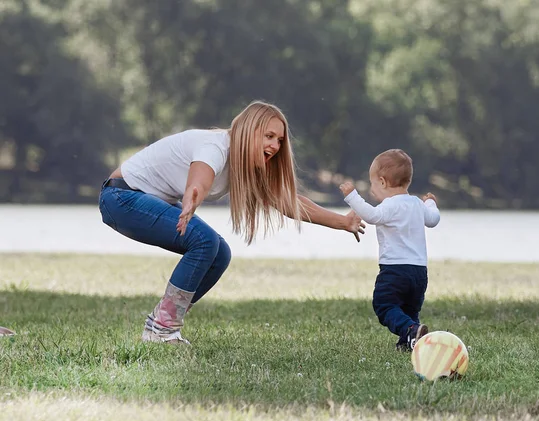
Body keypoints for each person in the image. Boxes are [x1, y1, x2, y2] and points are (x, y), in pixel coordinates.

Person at [99, 100, 365, 345]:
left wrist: (342, 222)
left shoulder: (246, 164)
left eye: (279, 140)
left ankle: (162, 325)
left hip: (144, 199)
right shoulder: (215, 146)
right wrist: (194, 195)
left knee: (220, 253)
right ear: (249, 131)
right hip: (121, 196)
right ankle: (161, 330)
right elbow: (201, 176)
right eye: (268, 136)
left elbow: (288, 202)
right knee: (204, 242)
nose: (274, 146)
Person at [339, 149, 440, 351]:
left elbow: (372, 216)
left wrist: (352, 196)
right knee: (410, 309)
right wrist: (430, 202)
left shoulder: (390, 205)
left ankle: (411, 330)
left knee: (384, 305)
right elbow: (434, 219)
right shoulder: (417, 205)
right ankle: (409, 341)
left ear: (383, 182)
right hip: (419, 272)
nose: (372, 189)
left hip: (395, 270)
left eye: (373, 183)